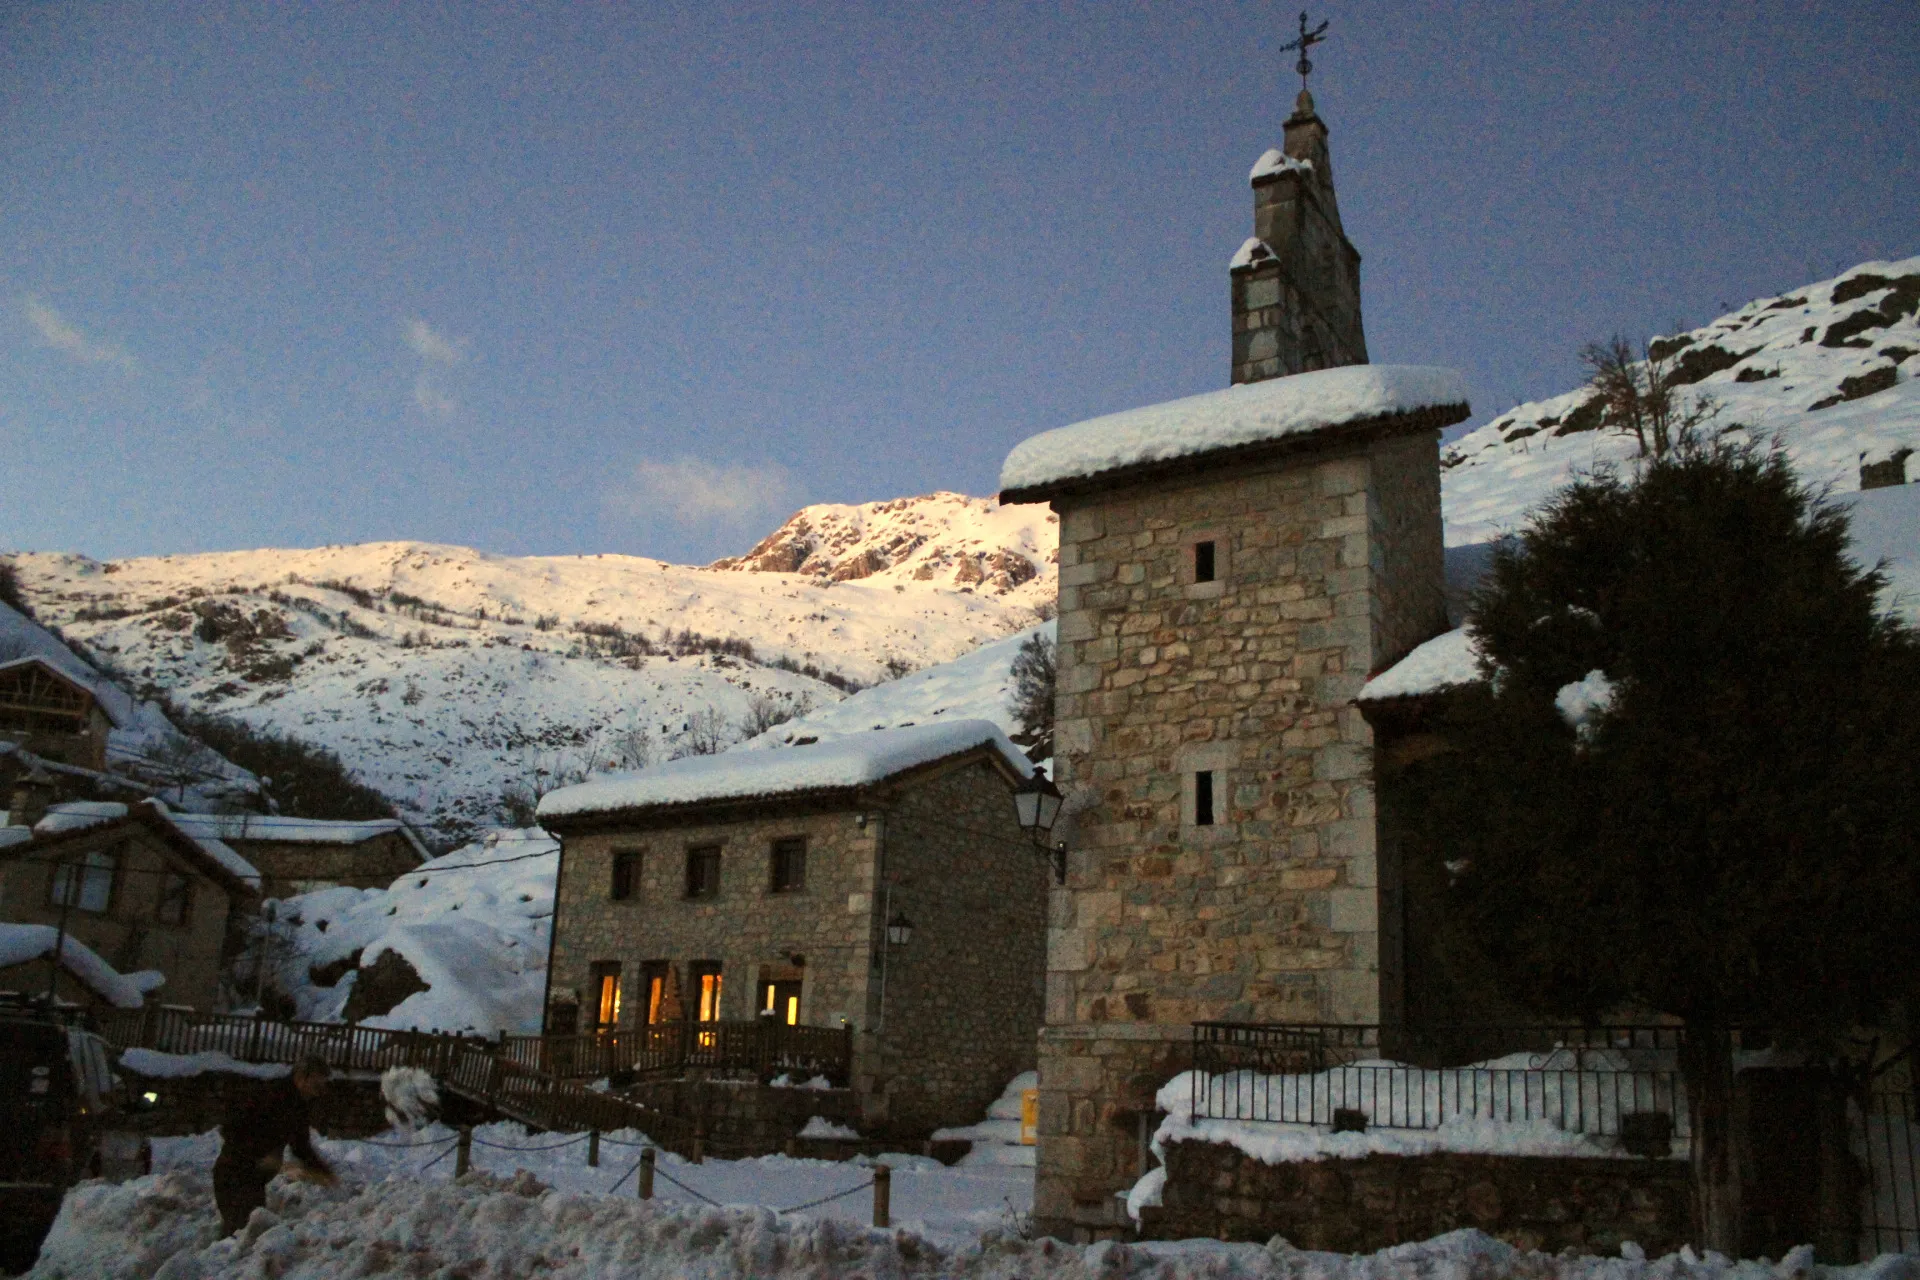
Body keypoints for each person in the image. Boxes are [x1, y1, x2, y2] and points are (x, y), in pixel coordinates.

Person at [213, 1053, 339, 1236]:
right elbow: (230, 1126)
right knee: (240, 1233)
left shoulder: (298, 1106)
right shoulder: (271, 1095)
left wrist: (324, 1172)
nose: (319, 1091)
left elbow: (300, 1146)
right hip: (234, 1174)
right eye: (317, 1084)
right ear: (302, 1077)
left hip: (254, 1180)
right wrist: (257, 1154)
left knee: (250, 1234)